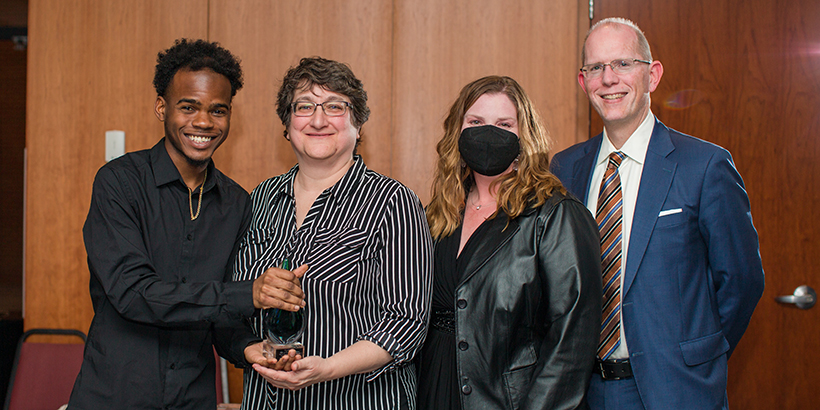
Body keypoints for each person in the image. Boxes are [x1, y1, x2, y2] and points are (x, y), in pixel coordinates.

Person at [549, 18, 765, 410]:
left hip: (678, 390)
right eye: (596, 68)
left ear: (653, 74)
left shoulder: (704, 165)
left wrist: (699, 355)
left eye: (623, 64)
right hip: (583, 393)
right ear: (583, 83)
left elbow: (742, 280)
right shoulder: (564, 171)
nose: (609, 79)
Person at [69, 38, 291, 409]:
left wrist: (249, 348)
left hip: (193, 398)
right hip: (114, 395)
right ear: (162, 107)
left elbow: (218, 313)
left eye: (218, 111)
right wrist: (246, 294)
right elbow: (133, 292)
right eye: (188, 107)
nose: (203, 122)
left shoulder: (237, 202)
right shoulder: (119, 182)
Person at [231, 56, 433, 409]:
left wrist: (326, 369)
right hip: (266, 400)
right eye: (305, 106)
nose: (319, 120)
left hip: (357, 401)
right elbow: (234, 300)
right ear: (287, 123)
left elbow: (406, 322)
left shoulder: (394, 202)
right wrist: (254, 348)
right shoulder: (259, 198)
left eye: (335, 106)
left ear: (358, 123)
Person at [416, 75, 601, 410]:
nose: (489, 133)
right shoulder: (436, 216)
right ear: (457, 131)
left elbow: (572, 341)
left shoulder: (555, 215)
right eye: (476, 122)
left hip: (511, 401)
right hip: (432, 388)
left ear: (524, 135)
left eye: (504, 124)